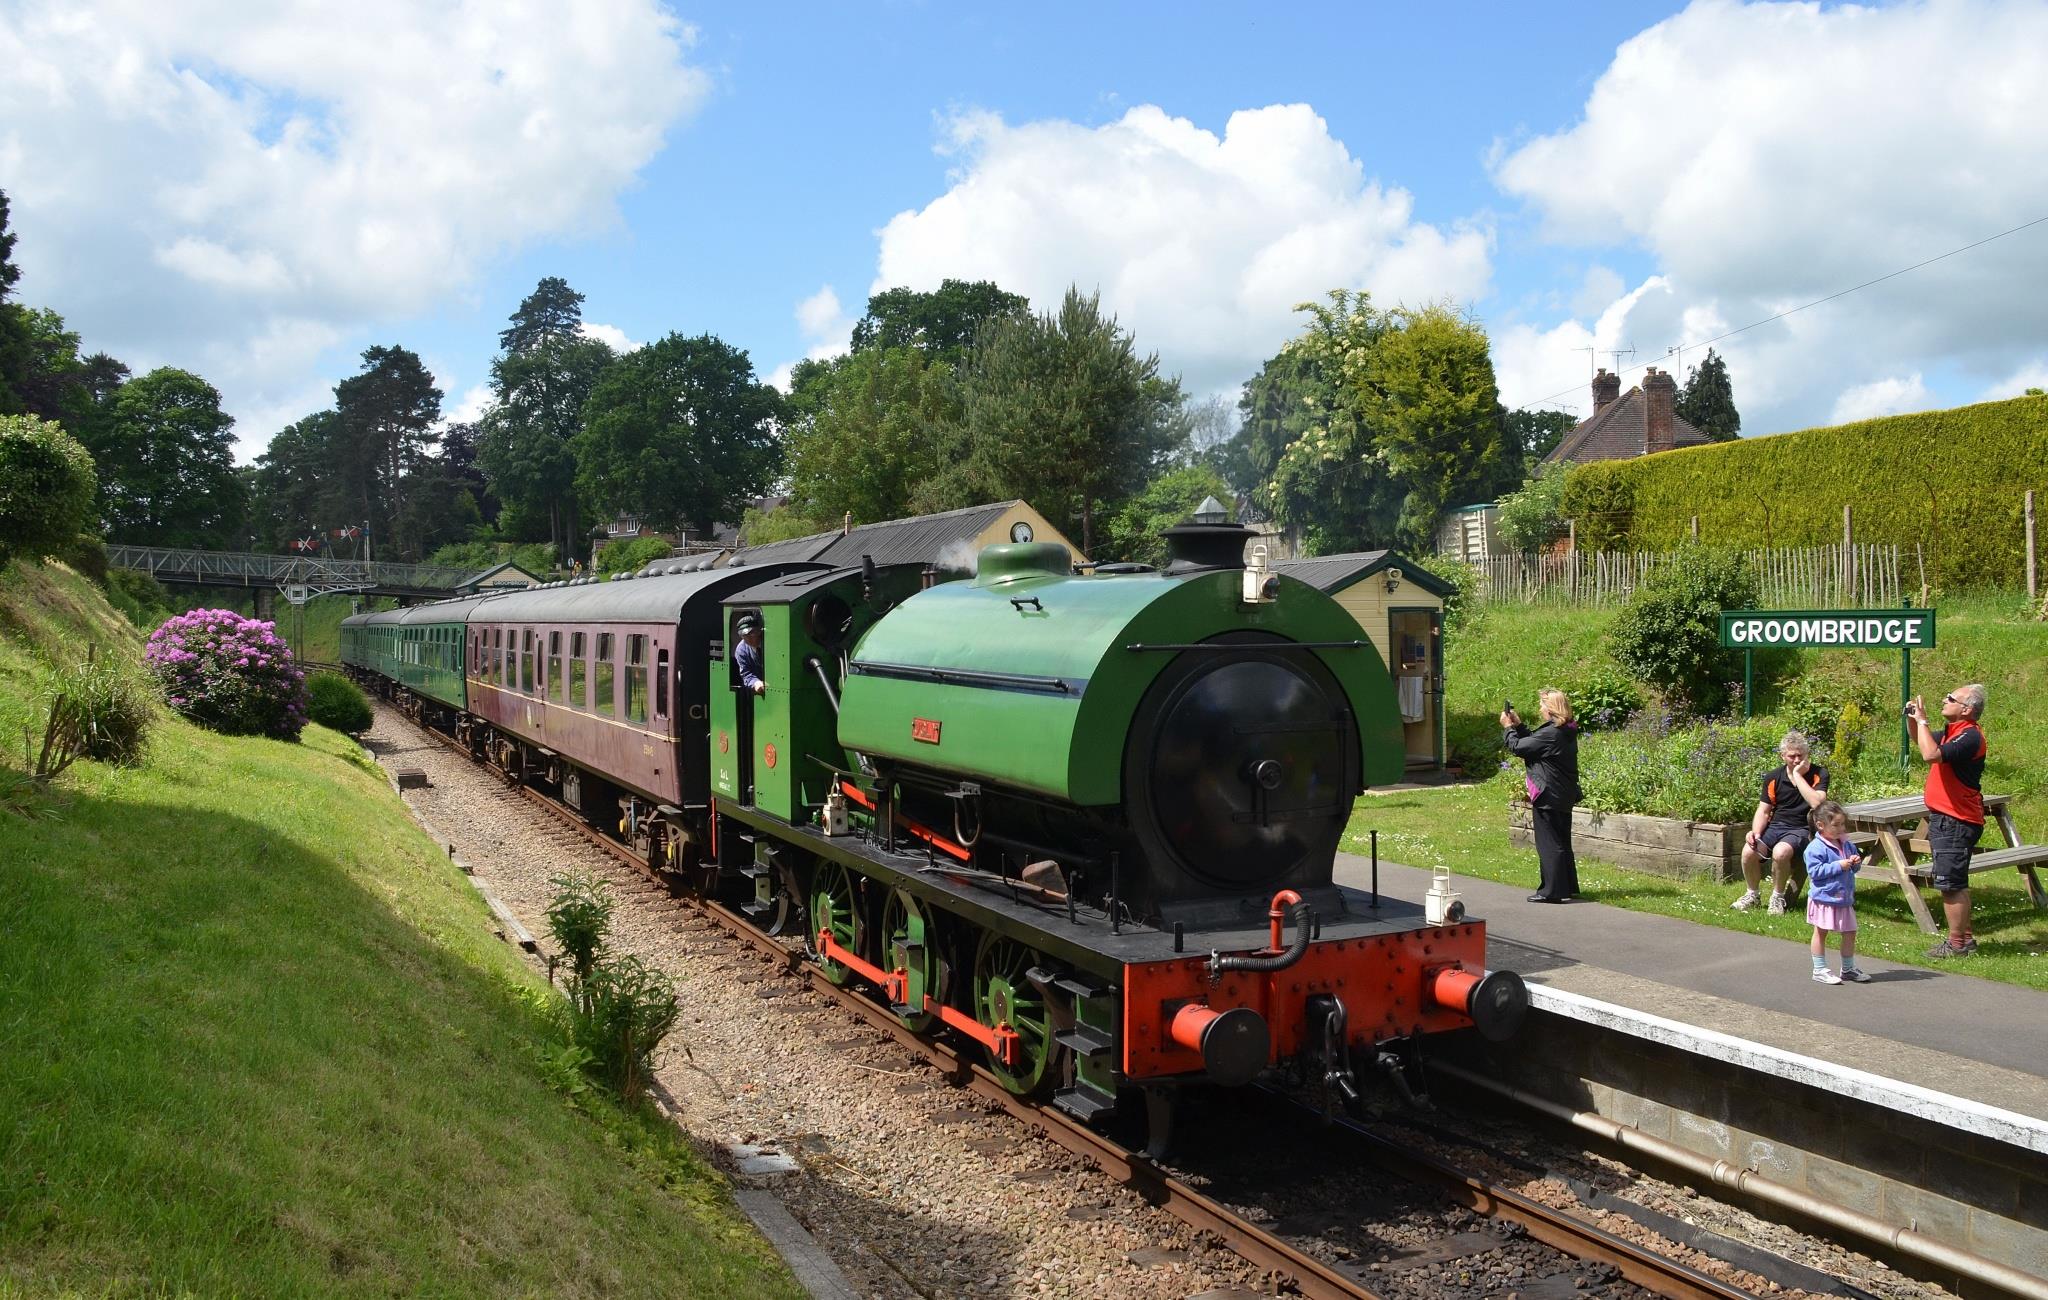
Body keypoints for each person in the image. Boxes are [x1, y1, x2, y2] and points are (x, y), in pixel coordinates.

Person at [1906, 683, 1988, 959]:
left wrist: (1923, 720)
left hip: (1956, 818)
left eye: (1950, 698)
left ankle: (1956, 945)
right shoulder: (1955, 732)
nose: (1944, 699)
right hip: (1950, 817)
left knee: (1950, 884)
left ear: (1966, 709)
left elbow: (1931, 755)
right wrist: (1912, 717)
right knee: (1956, 881)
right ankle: (1964, 940)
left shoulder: (1969, 737)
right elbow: (1922, 741)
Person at [1732, 731, 1830, 915]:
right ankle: (1752, 894)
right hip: (1776, 826)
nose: (1796, 760)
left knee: (1781, 852)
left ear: (1807, 755)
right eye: (1792, 756)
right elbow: (1763, 810)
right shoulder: (1773, 777)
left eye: (1801, 755)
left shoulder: (1819, 774)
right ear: (1782, 756)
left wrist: (1798, 776)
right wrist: (1756, 832)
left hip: (1803, 829)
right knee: (1748, 852)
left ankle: (1777, 897)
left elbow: (1817, 803)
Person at [1503, 688, 1581, 904]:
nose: (1540, 708)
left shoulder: (1551, 733)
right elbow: (1534, 744)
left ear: (1551, 708)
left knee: (1549, 843)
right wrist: (1519, 726)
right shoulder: (1565, 730)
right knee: (1562, 841)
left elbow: (1518, 747)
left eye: (1542, 704)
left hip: (1548, 794)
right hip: (1563, 792)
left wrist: (1508, 728)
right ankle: (1567, 887)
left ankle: (1552, 891)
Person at [1802, 800, 1869, 984]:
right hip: (1824, 898)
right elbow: (1815, 872)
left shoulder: (1846, 844)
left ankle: (1847, 968)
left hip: (1844, 898)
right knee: (1821, 931)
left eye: (1842, 824)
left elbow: (1853, 868)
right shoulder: (1815, 848)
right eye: (1836, 825)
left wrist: (1855, 862)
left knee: (1850, 931)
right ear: (1821, 825)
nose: (1841, 829)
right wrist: (1838, 866)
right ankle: (1819, 969)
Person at [734, 614, 767, 695]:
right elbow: (746, 674)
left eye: (751, 633)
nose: (748, 638)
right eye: (744, 635)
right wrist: (756, 683)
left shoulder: (770, 642)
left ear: (759, 631)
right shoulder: (741, 650)